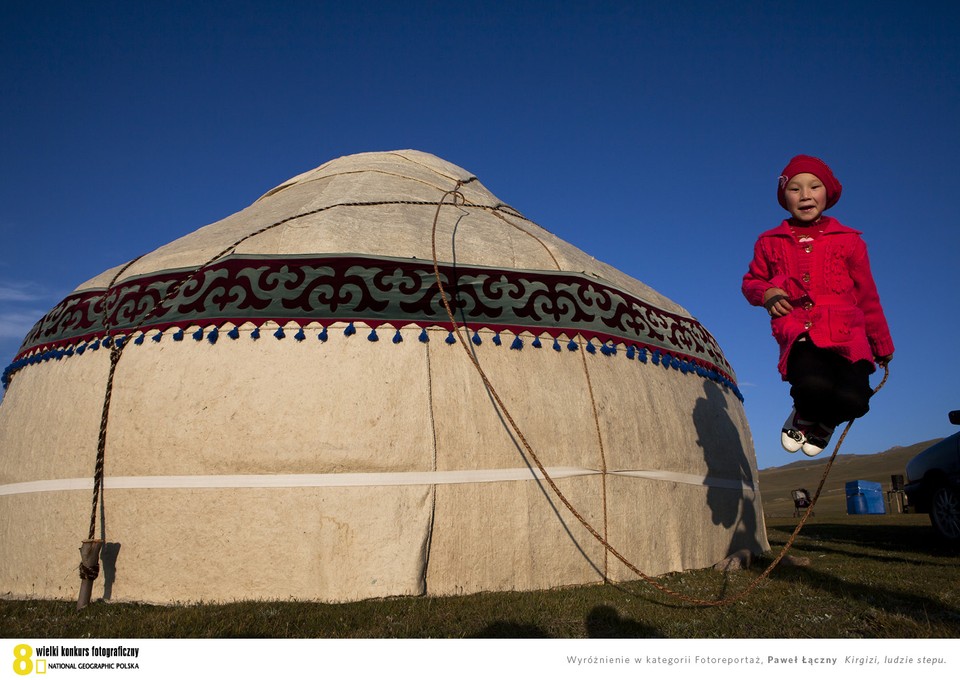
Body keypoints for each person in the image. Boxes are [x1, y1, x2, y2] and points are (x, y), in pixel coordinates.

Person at [742, 155, 894, 456]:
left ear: (828, 193)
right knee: (812, 385)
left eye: (814, 186)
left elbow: (868, 295)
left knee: (854, 400)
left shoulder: (849, 241)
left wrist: (881, 344)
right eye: (795, 189)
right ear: (784, 197)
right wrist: (768, 292)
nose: (805, 195)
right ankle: (805, 415)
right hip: (802, 330)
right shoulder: (770, 242)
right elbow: (751, 282)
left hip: (850, 334)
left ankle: (825, 422)